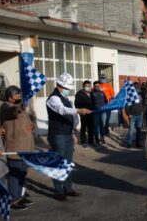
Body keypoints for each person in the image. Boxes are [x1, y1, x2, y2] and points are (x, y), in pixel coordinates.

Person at [46, 73, 91, 201]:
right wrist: (78, 110)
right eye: (67, 87)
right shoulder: (53, 99)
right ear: (60, 85)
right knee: (59, 163)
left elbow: (71, 117)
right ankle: (59, 190)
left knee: (68, 163)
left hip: (67, 134)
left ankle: (68, 187)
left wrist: (73, 133)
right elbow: (62, 110)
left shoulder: (66, 99)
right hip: (58, 135)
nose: (68, 90)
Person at [0, 86, 35, 210]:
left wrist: (32, 126)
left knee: (23, 173)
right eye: (17, 95)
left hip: (26, 146)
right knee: (14, 174)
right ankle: (14, 199)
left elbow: (27, 120)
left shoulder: (20, 107)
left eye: (20, 94)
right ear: (9, 96)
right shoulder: (5, 107)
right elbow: (12, 113)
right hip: (14, 146)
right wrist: (20, 107)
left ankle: (20, 195)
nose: (19, 97)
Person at [125, 82, 145, 148]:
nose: (137, 88)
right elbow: (127, 106)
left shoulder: (141, 94)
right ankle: (129, 143)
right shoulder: (130, 95)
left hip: (140, 115)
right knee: (131, 130)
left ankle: (138, 144)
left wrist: (143, 111)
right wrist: (129, 114)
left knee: (139, 130)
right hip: (132, 115)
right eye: (135, 87)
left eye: (137, 86)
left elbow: (144, 103)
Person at [74, 81, 94, 148]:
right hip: (83, 113)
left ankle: (91, 141)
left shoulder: (91, 93)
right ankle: (83, 142)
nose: (87, 87)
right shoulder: (79, 94)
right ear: (83, 86)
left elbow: (94, 102)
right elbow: (76, 104)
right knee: (83, 128)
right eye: (86, 86)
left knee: (91, 128)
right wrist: (80, 111)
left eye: (89, 86)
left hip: (91, 113)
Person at [91, 81, 108, 145]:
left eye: (98, 86)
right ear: (94, 86)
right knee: (96, 126)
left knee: (102, 125)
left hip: (102, 112)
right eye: (96, 86)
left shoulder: (102, 93)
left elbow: (106, 101)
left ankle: (102, 138)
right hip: (96, 112)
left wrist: (105, 107)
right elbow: (91, 103)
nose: (97, 87)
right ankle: (97, 139)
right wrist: (93, 109)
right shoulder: (92, 94)